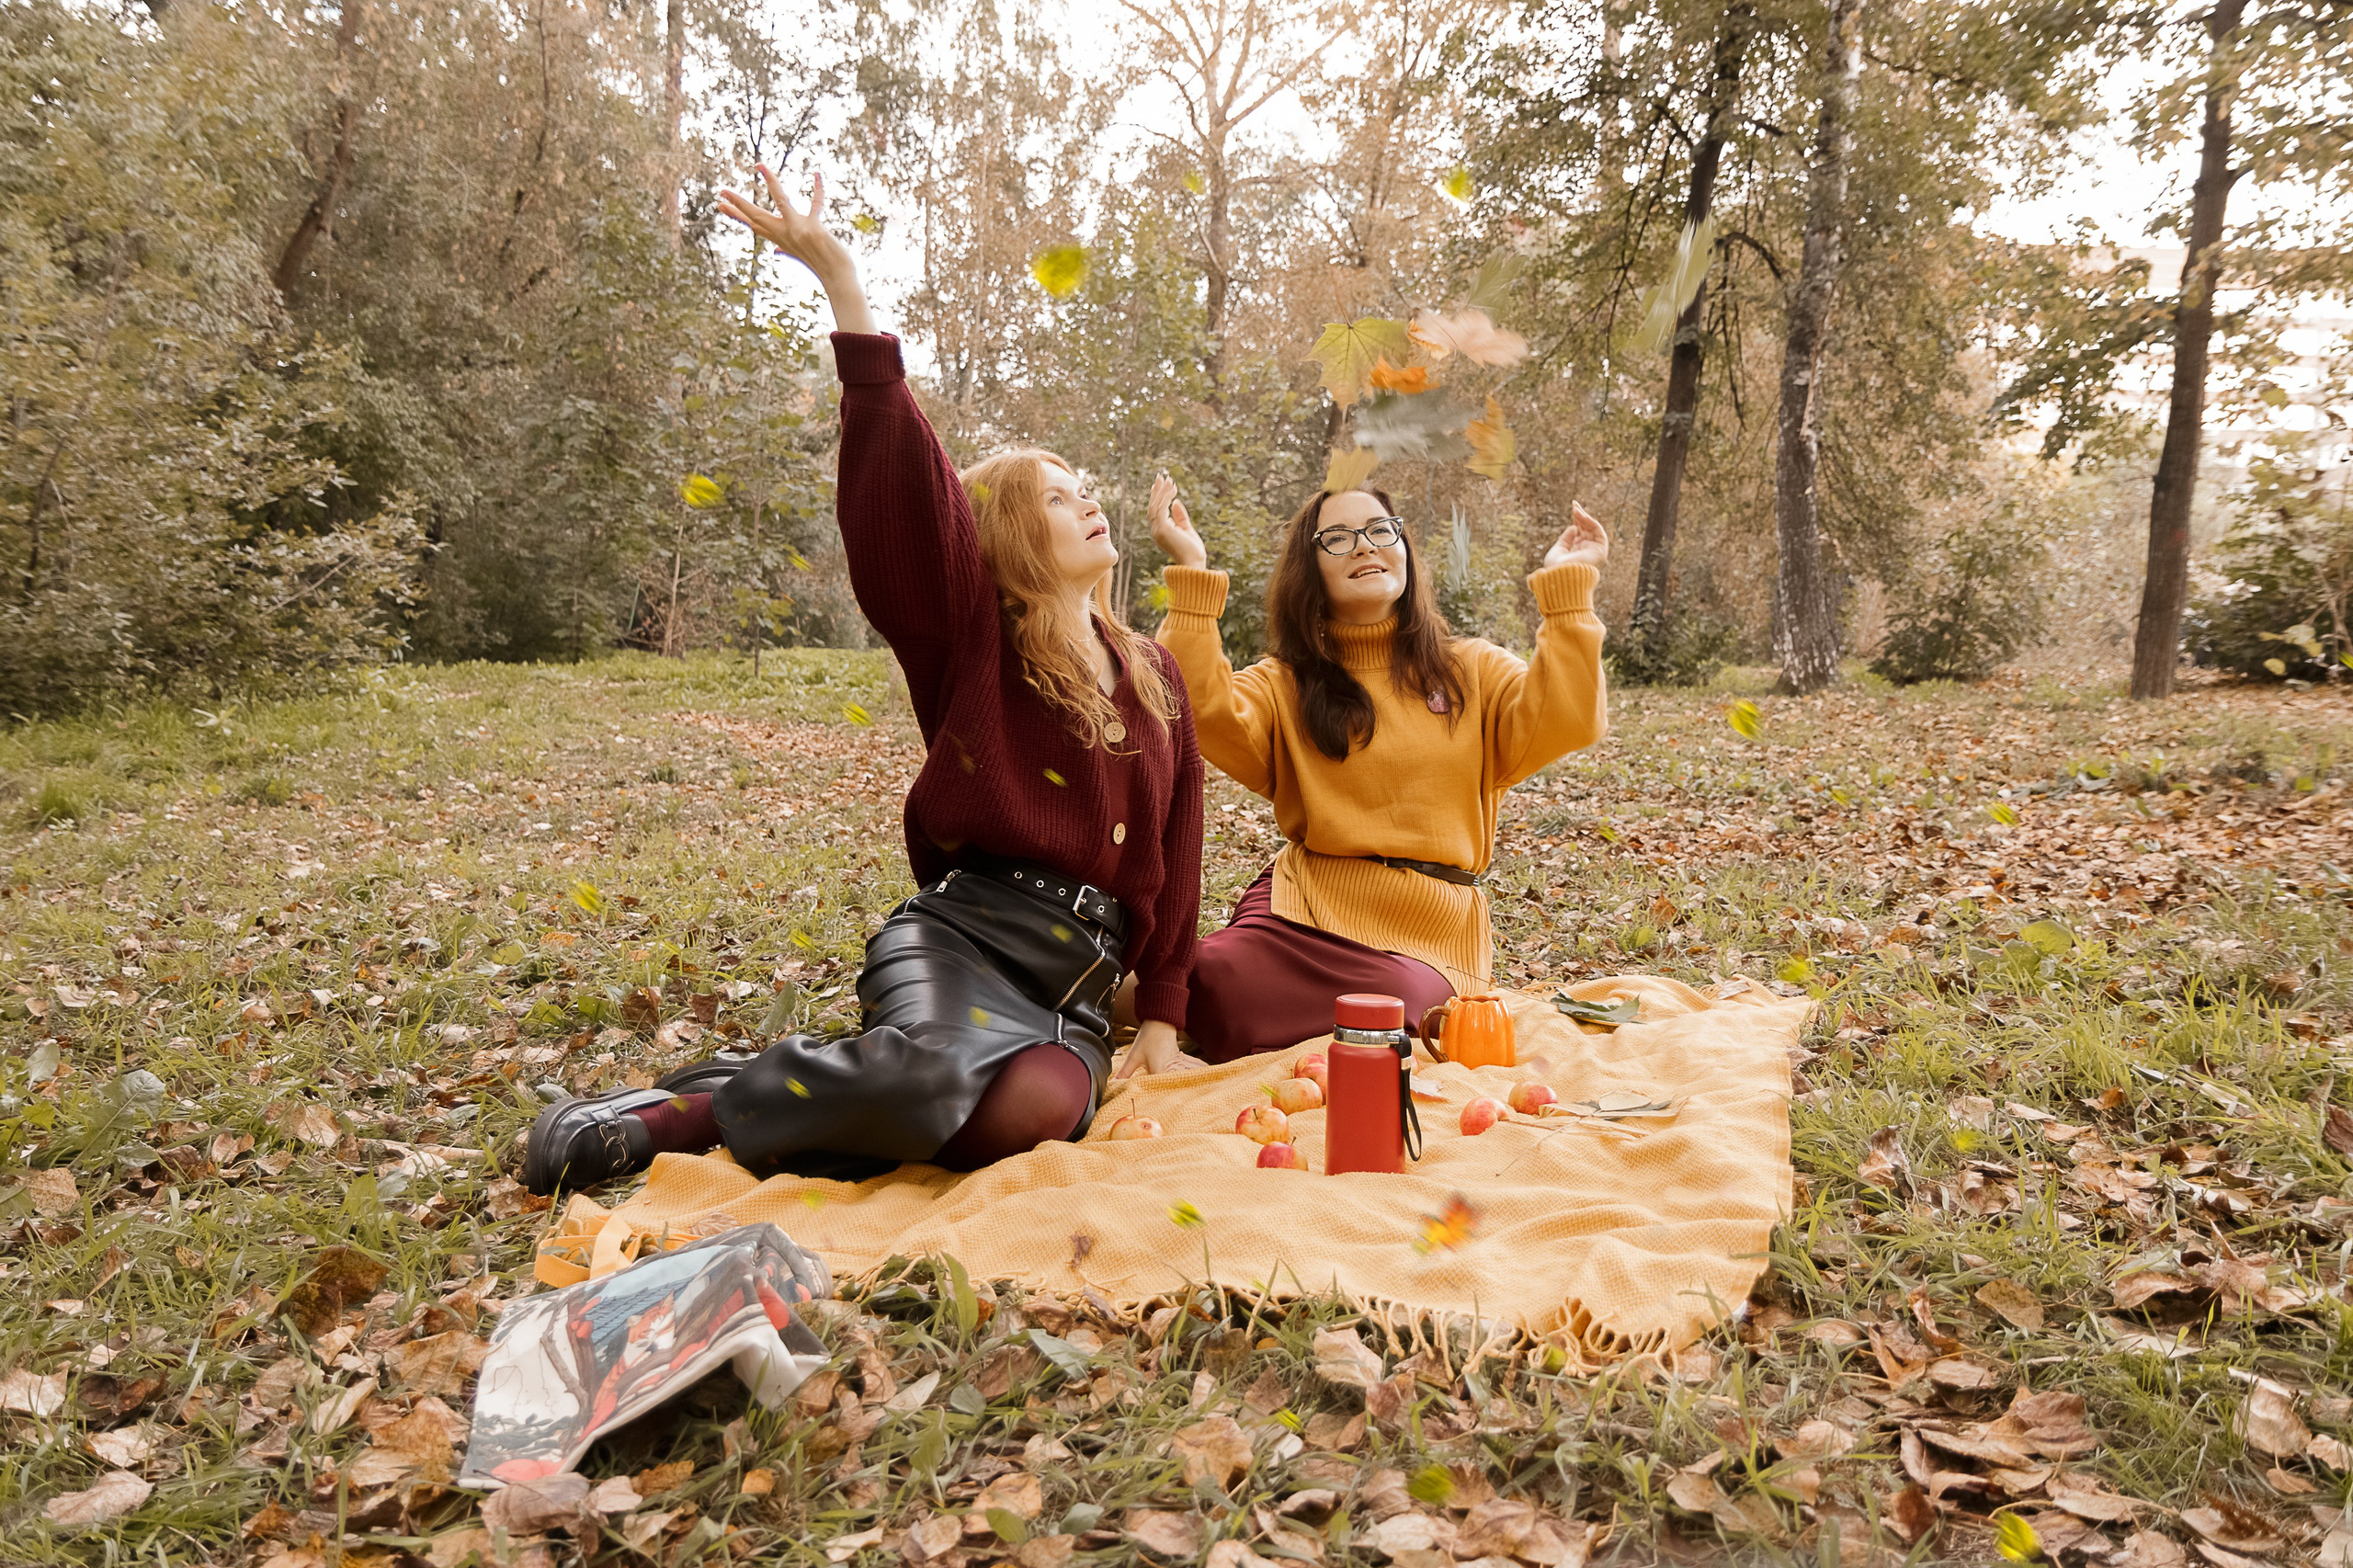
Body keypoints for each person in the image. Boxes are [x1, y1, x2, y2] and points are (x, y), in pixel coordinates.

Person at [520, 166, 1203, 1196]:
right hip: (969, 936)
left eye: (1082, 489)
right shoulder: (972, 639)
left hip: (1076, 986)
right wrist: (844, 286)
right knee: (928, 1077)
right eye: (1056, 499)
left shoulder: (1154, 675)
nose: (1086, 504)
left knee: (1034, 1113)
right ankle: (681, 1116)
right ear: (1011, 539)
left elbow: (1180, 850)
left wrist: (1162, 1015)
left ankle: (782, 1087)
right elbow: (911, 508)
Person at [1145, 475, 1607, 1061]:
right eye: (1337, 538)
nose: (1364, 545)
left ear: (1403, 546)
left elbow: (1569, 718)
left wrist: (1569, 589)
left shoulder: (1471, 669)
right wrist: (1191, 573)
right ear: (1311, 570)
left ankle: (1186, 1007)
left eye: (1379, 530)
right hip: (1306, 907)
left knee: (1395, 1019)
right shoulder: (1286, 683)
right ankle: (1105, 999)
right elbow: (1194, 709)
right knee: (1216, 981)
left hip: (1428, 931)